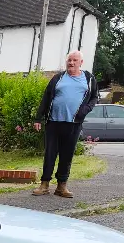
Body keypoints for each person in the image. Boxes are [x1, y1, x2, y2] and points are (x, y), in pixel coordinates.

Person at [32, 51, 99, 199]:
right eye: (69, 60)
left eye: (75, 60)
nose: (71, 63)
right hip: (53, 122)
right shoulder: (58, 78)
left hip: (73, 124)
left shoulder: (89, 79)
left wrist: (85, 110)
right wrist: (38, 118)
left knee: (66, 155)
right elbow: (46, 97)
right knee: (50, 154)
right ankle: (44, 184)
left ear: (81, 62)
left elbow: (94, 97)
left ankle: (61, 186)